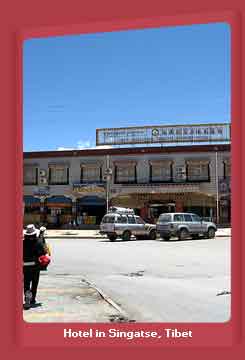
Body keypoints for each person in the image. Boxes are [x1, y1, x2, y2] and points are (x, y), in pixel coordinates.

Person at [23, 224, 46, 309]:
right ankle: (32, 299)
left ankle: (27, 298)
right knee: (34, 283)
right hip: (36, 266)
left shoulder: (22, 242)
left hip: (25, 266)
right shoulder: (38, 242)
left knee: (26, 283)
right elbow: (43, 253)